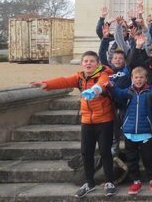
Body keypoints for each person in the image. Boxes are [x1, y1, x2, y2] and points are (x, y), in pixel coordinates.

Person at [30, 51, 116, 198]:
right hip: (87, 121)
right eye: (85, 61)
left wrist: (93, 90)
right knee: (86, 153)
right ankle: (89, 182)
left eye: (91, 61)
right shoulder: (80, 77)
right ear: (82, 64)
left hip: (104, 120)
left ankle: (109, 182)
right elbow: (64, 80)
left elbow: (102, 84)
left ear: (98, 64)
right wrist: (46, 84)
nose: (88, 63)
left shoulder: (103, 74)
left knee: (105, 152)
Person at [110, 67, 152, 195]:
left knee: (148, 158)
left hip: (145, 131)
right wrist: (111, 86)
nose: (139, 80)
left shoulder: (149, 91)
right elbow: (118, 93)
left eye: (141, 77)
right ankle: (136, 182)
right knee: (132, 159)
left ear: (146, 79)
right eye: (136, 77)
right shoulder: (128, 91)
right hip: (129, 132)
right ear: (132, 79)